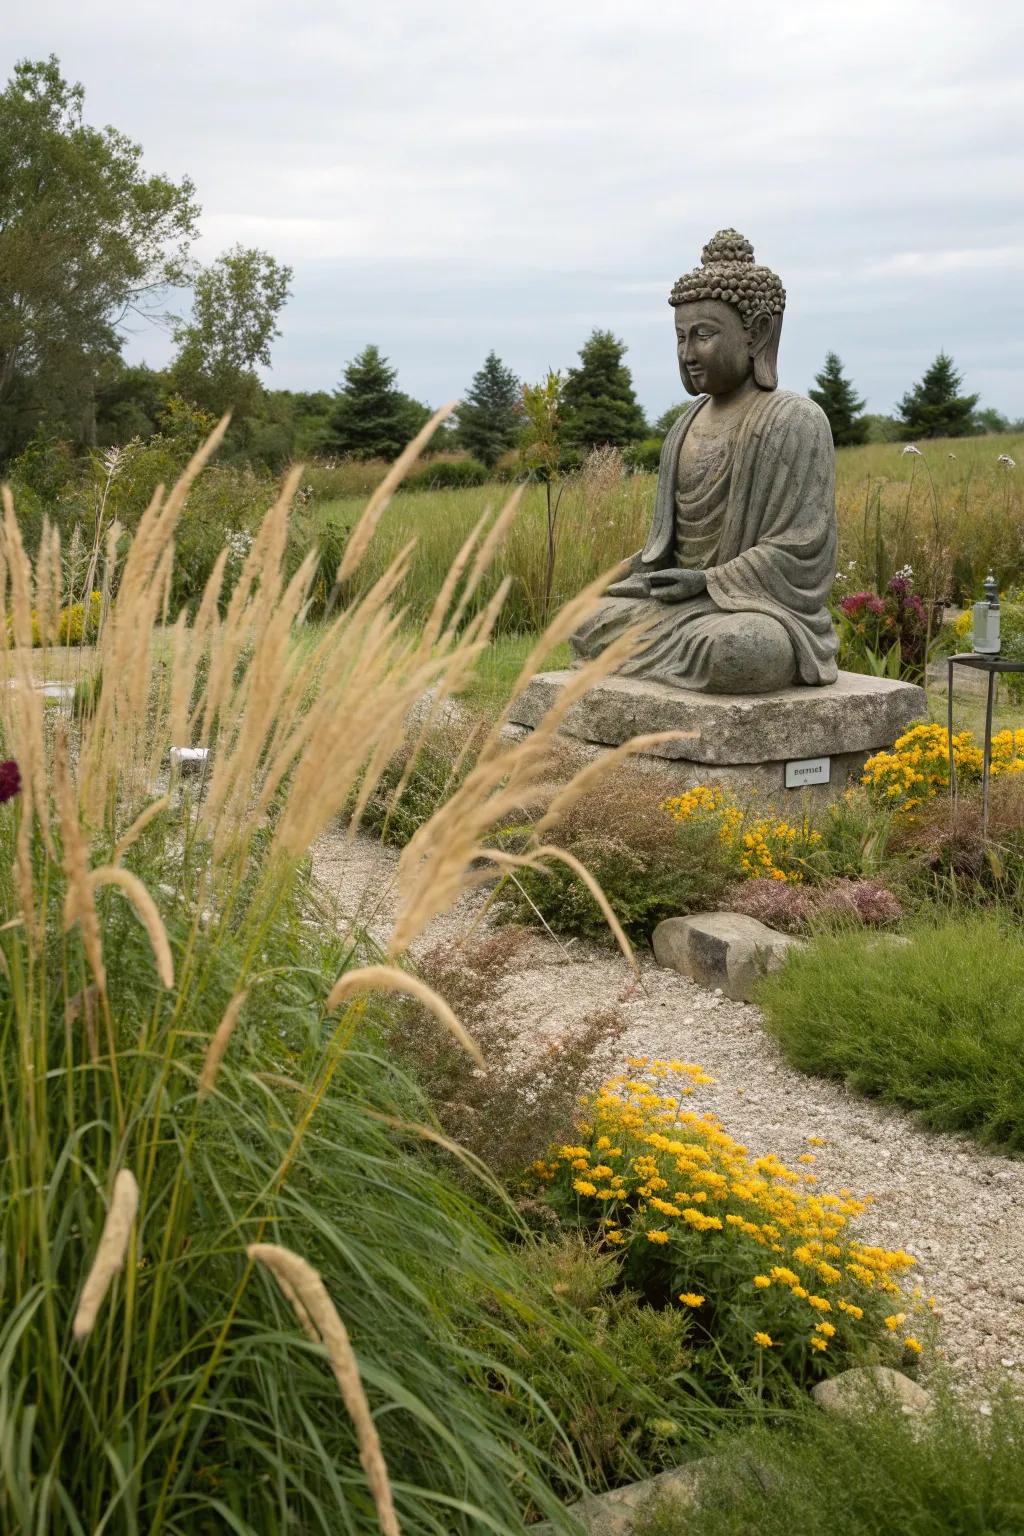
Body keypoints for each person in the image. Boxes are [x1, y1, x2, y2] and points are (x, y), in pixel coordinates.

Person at [572, 229, 839, 694]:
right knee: (583, 620)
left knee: (742, 649)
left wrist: (708, 581)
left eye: (704, 336)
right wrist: (642, 575)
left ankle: (672, 659)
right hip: (683, 607)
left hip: (754, 610)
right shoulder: (684, 426)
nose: (688, 354)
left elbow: (804, 552)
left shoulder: (795, 420)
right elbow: (663, 550)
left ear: (755, 333)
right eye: (680, 338)